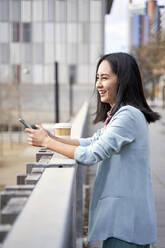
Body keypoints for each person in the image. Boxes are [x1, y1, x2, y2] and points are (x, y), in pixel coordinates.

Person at [25, 53, 160, 248]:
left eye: (105, 78)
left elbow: (91, 155)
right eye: (97, 78)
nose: (98, 84)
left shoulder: (128, 115)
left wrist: (47, 142)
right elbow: (91, 142)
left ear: (123, 80)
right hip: (122, 220)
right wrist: (53, 137)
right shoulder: (119, 114)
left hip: (127, 224)